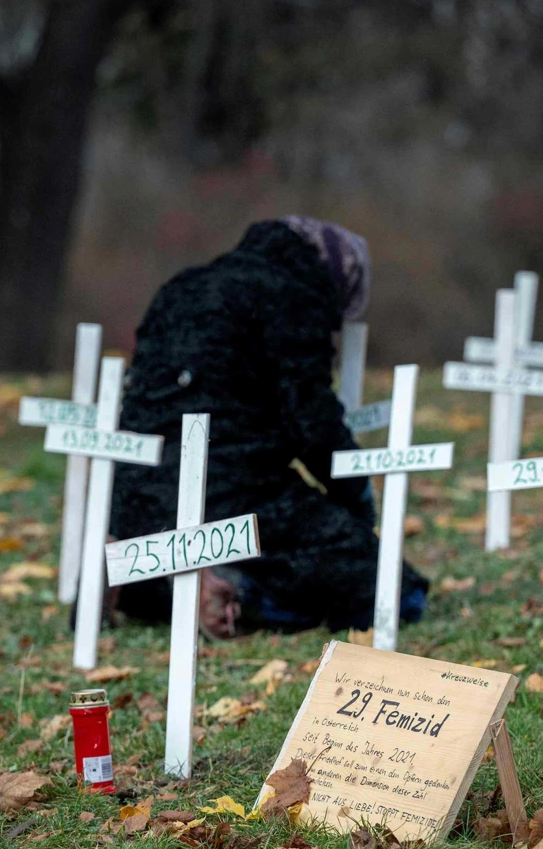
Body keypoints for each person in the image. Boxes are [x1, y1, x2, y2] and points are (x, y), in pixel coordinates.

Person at [109, 217, 428, 637]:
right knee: (394, 589)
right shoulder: (291, 297)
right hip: (232, 493)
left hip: (138, 496)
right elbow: (311, 423)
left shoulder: (182, 286)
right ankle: (237, 589)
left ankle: (147, 575)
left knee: (165, 557)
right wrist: (356, 498)